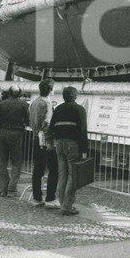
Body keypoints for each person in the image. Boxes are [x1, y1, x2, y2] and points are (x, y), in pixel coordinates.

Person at [49, 86, 89, 216]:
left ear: (64, 96)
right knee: (73, 176)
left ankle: (62, 203)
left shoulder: (58, 109)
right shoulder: (79, 109)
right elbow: (83, 131)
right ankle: (67, 206)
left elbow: (52, 127)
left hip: (59, 143)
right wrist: (84, 150)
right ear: (75, 96)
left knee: (62, 174)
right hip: (72, 144)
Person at [0, 85, 28, 197]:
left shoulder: (3, 104)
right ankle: (12, 189)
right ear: (20, 93)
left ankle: (3, 189)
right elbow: (27, 119)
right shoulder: (24, 104)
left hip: (3, 132)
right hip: (16, 133)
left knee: (3, 161)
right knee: (16, 162)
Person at [29, 79, 59, 207]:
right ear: (51, 90)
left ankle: (37, 197)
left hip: (36, 136)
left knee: (38, 169)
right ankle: (50, 198)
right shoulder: (47, 103)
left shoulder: (34, 102)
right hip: (46, 140)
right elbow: (47, 123)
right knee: (53, 169)